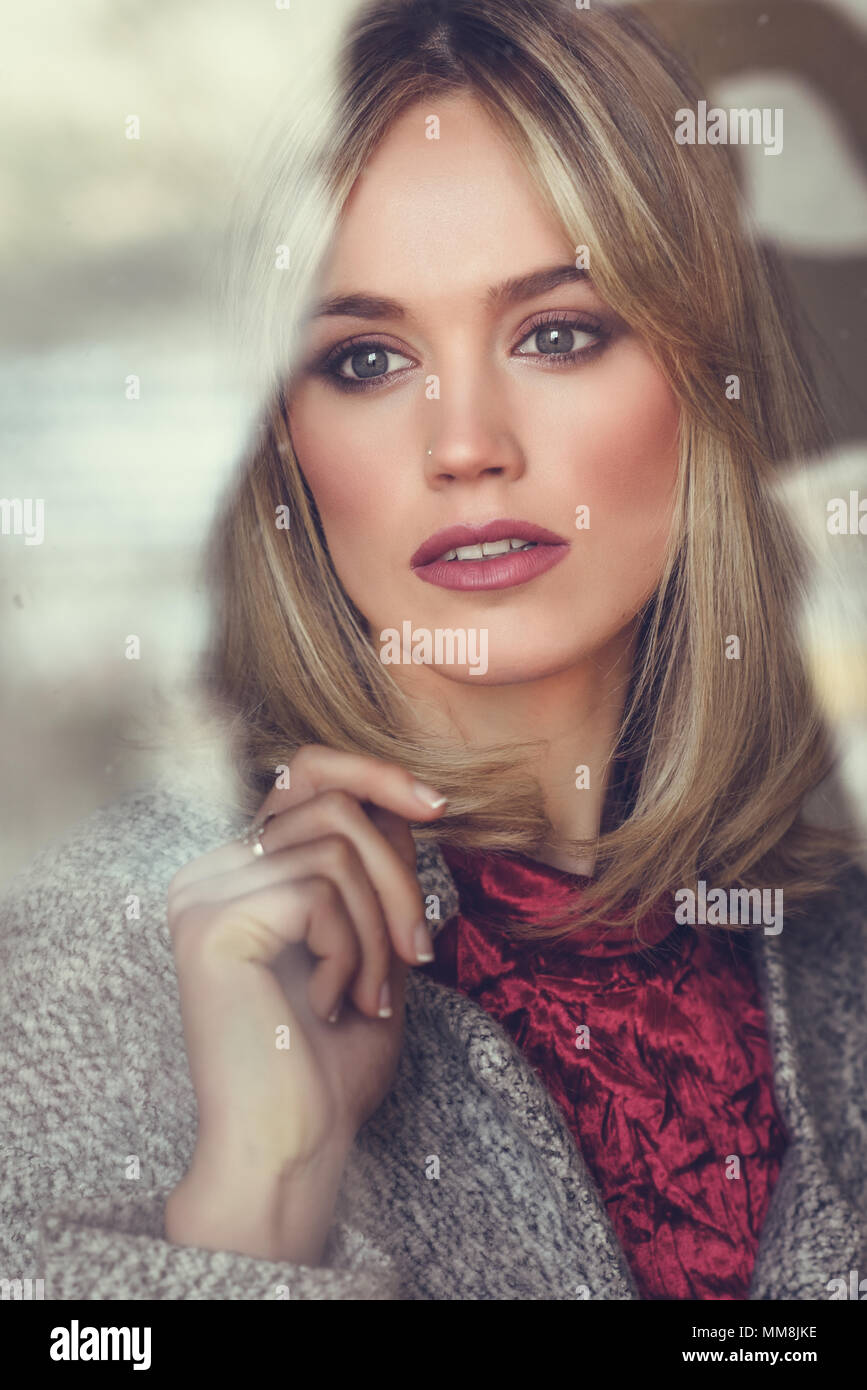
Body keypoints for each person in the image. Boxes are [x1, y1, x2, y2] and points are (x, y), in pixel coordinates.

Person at [1, 0, 864, 1302]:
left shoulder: (834, 944)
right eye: (366, 357)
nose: (466, 441)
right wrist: (263, 1188)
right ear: (288, 446)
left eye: (559, 332)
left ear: (703, 392)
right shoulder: (104, 958)